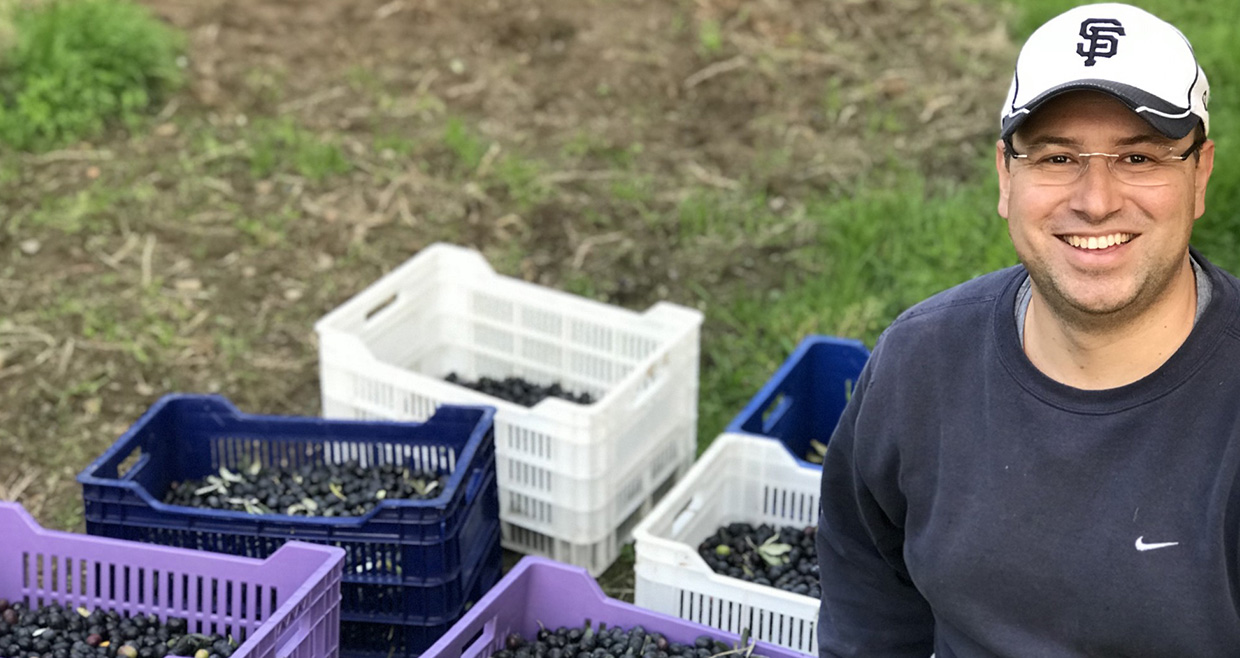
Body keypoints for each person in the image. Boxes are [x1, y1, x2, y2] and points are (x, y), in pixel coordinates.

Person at [815, 3, 1239, 656]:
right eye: (1058, 158)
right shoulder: (919, 364)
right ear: (1006, 177)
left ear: (1199, 174)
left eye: (1138, 158)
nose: (1096, 200)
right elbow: (863, 573)